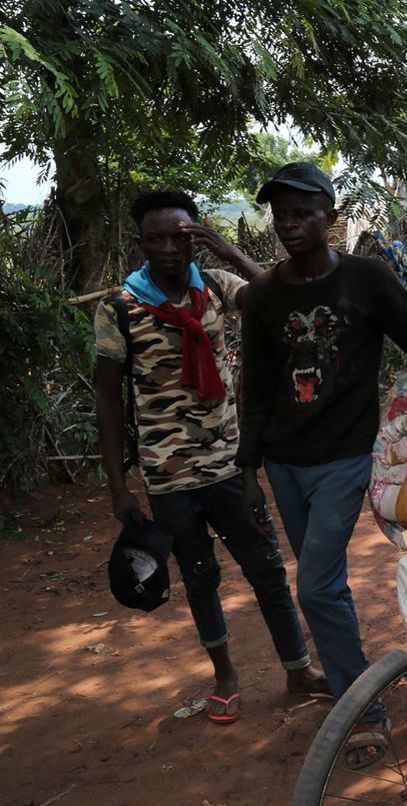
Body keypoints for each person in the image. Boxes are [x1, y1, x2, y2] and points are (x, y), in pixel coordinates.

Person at [94, 190, 327, 725]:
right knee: (199, 576)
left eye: (182, 237)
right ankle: (224, 676)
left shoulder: (220, 288)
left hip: (230, 465)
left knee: (267, 568)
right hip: (168, 474)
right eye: (157, 238)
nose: (170, 248)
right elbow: (107, 398)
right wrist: (116, 486)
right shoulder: (121, 308)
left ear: (196, 237)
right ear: (141, 242)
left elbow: (278, 300)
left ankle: (298, 668)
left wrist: (226, 252)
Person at [236, 162, 407, 761]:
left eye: (301, 214)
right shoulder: (266, 295)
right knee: (326, 587)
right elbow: (257, 384)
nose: (289, 225)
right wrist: (248, 467)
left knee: (315, 586)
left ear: (329, 217)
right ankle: (353, 687)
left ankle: (364, 711)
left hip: (347, 458)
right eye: (280, 215)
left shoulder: (367, 280)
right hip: (285, 465)